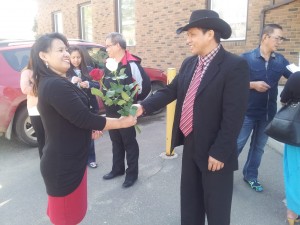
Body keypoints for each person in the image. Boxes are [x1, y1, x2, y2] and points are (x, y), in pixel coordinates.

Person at [135, 9, 249, 225]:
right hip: (191, 143)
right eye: (187, 35)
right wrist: (143, 107)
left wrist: (220, 151)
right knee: (190, 204)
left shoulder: (235, 66)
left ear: (210, 34)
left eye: (192, 34)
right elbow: (171, 91)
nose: (188, 40)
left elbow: (234, 115)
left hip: (216, 152)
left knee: (217, 211)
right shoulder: (190, 63)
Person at [31, 32, 137, 225]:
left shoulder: (58, 81)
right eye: (60, 50)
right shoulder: (55, 84)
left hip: (71, 162)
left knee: (72, 217)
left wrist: (86, 130)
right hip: (64, 168)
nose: (66, 54)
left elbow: (70, 120)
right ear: (43, 56)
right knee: (66, 219)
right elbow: (85, 118)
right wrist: (121, 122)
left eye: (66, 49)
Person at [237, 24, 292, 192]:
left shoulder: (281, 60)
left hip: (268, 114)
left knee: (258, 148)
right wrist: (252, 84)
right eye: (277, 37)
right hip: (247, 112)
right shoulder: (245, 58)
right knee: (236, 145)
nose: (280, 41)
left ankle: (250, 176)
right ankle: (220, 176)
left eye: (281, 38)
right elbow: (231, 83)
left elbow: (295, 77)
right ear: (265, 37)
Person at [102, 32, 149, 188]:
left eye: (108, 45)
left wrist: (132, 104)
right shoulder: (109, 63)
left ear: (117, 45)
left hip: (127, 110)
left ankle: (132, 174)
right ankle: (118, 169)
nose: (106, 49)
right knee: (115, 141)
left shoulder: (132, 64)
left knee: (129, 142)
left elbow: (145, 87)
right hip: (111, 111)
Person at [67, 46, 100, 169]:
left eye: (78, 57)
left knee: (90, 133)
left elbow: (97, 85)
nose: (76, 60)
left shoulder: (89, 70)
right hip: (75, 107)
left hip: (90, 106)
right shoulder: (66, 72)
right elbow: (62, 88)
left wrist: (89, 84)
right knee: (75, 134)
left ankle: (91, 158)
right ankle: (78, 159)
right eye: (73, 57)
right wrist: (71, 81)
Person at [279, 71, 300, 225]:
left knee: (294, 171)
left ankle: (292, 213)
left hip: (296, 134)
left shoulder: (297, 77)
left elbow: (283, 101)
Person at [20, 50, 45, 158]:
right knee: (41, 137)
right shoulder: (27, 72)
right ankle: (44, 161)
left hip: (47, 107)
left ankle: (51, 160)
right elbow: (25, 88)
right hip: (35, 108)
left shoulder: (45, 70)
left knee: (50, 136)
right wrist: (42, 91)